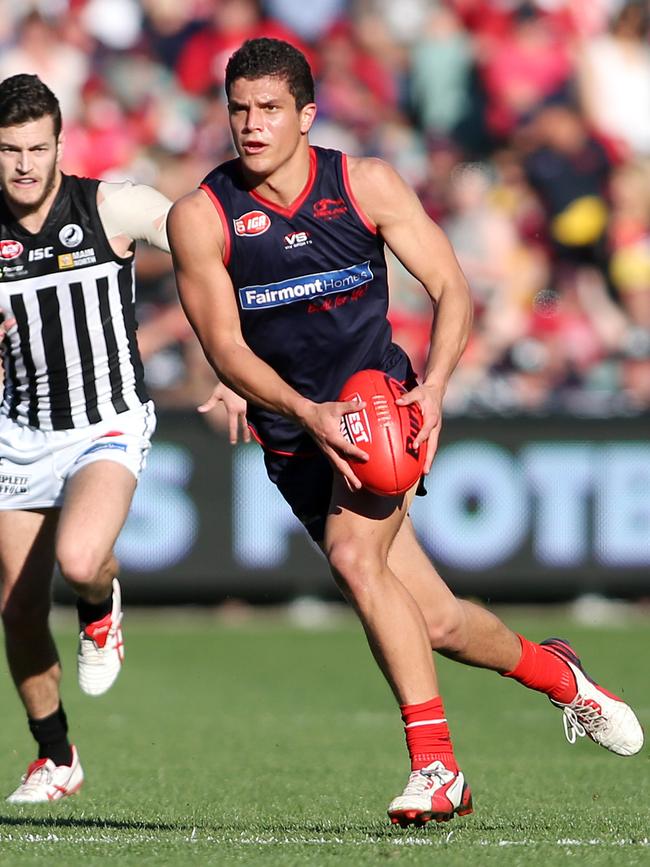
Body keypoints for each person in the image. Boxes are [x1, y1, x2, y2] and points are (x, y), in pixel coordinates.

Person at [168, 38, 644, 826]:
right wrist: (305, 413)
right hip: (296, 435)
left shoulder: (364, 183)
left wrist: (436, 387)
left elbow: (452, 285)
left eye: (270, 109)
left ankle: (436, 766)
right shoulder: (202, 215)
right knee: (438, 619)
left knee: (358, 559)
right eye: (240, 109)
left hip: (377, 407)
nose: (251, 125)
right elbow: (224, 347)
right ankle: (563, 677)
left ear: (307, 115)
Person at [0, 74, 172, 803]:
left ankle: (101, 611)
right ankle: (55, 754)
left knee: (79, 558)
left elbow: (210, 244)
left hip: (105, 416)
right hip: (18, 431)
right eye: (9, 149)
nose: (24, 165)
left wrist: (234, 364)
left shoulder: (112, 206)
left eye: (38, 148)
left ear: (61, 145)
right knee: (16, 607)